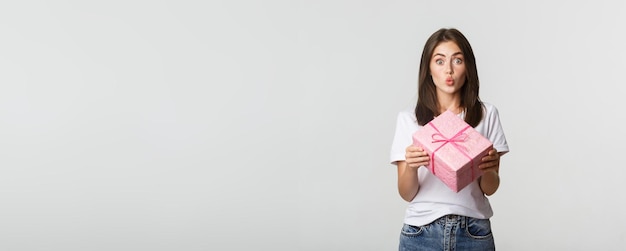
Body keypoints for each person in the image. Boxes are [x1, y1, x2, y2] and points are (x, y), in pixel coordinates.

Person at [389, 28, 509, 251]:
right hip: (421, 231)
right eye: (440, 61)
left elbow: (490, 188)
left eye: (457, 60)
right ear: (428, 69)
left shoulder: (487, 114)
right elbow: (406, 193)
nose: (449, 70)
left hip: (474, 231)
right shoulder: (409, 119)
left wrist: (489, 169)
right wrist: (412, 168)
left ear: (468, 67)